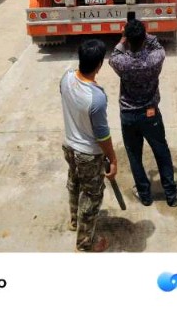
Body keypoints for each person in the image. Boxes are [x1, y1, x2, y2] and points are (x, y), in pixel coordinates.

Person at [109, 19, 177, 207]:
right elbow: (157, 45)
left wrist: (124, 37)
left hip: (128, 115)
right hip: (150, 114)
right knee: (161, 151)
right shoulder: (155, 58)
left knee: (134, 155)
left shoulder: (120, 62)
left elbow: (115, 53)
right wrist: (143, 33)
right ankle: (171, 194)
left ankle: (145, 195)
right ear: (144, 38)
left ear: (127, 39)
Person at [60, 38, 118, 252]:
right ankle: (85, 243)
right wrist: (113, 158)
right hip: (88, 155)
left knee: (74, 183)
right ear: (99, 65)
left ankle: (74, 221)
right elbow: (102, 135)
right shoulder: (96, 98)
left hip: (69, 146)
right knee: (91, 197)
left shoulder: (66, 78)